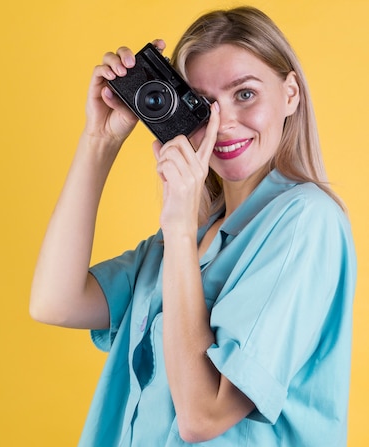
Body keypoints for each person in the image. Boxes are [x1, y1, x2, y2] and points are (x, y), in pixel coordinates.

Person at [30, 6, 356, 447]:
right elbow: (55, 302)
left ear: (291, 93)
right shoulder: (183, 242)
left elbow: (202, 417)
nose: (222, 124)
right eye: (202, 104)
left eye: (244, 94)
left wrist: (180, 229)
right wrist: (100, 141)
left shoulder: (306, 222)